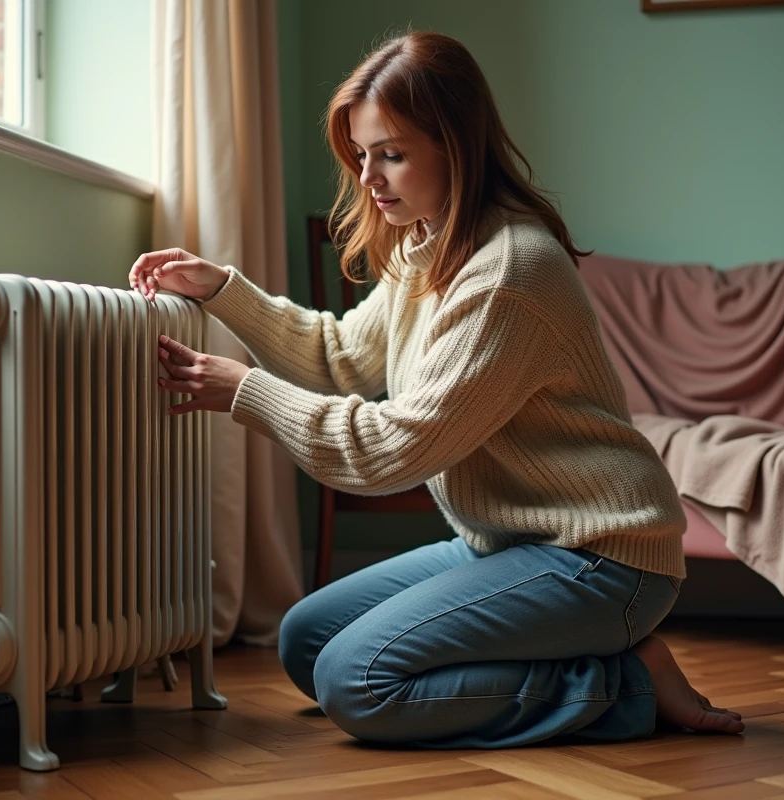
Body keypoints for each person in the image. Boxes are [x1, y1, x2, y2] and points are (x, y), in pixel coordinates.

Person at [128, 30, 744, 748]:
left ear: (457, 145)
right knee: (304, 641)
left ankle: (627, 683)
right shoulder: (430, 248)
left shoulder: (508, 274)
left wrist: (246, 391)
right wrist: (223, 292)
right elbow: (338, 359)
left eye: (391, 154)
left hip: (600, 557)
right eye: (362, 156)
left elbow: (391, 453)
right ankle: (573, 652)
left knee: (355, 682)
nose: (368, 178)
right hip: (510, 541)